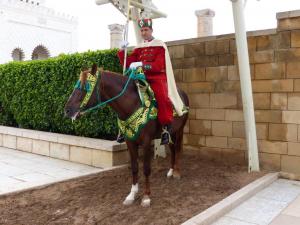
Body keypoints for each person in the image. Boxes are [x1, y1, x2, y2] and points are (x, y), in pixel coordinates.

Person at [117, 18, 184, 145]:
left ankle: (166, 128)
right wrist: (122, 51)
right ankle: (122, 129)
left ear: (151, 30)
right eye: (141, 30)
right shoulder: (139, 47)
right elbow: (128, 63)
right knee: (122, 96)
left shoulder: (159, 45)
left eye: (146, 30)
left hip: (156, 78)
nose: (143, 32)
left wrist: (142, 63)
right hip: (140, 77)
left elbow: (158, 66)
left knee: (162, 98)